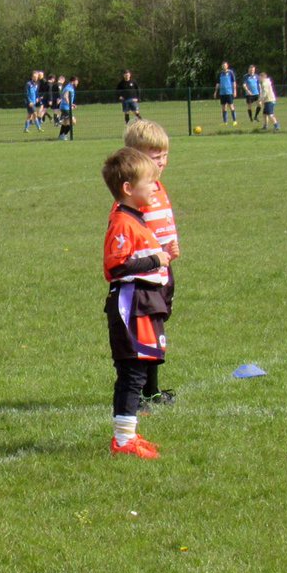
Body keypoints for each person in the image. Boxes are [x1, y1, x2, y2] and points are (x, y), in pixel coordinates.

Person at [102, 149, 175, 459]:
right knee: (132, 371)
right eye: (150, 183)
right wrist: (154, 259)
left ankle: (128, 434)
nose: (155, 188)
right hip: (131, 304)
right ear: (129, 189)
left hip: (145, 301)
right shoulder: (122, 222)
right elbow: (115, 267)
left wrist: (161, 254)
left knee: (139, 370)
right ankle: (122, 440)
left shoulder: (136, 218)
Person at [123, 120, 179, 408]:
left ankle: (151, 390)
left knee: (156, 332)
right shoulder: (136, 193)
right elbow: (130, 230)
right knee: (143, 334)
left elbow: (161, 224)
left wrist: (170, 244)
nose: (161, 161)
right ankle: (140, 392)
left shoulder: (157, 186)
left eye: (164, 155)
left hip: (162, 271)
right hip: (144, 275)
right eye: (153, 156)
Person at [215, 61, 238, 126]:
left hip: (229, 92)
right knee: (224, 107)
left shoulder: (231, 73)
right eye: (223, 66)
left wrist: (235, 91)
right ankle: (225, 122)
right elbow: (218, 83)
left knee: (231, 106)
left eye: (225, 65)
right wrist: (215, 91)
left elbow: (234, 82)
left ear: (227, 66)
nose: (224, 66)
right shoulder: (220, 73)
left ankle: (234, 121)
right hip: (222, 93)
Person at [58, 76, 78, 141]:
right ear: (73, 81)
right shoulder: (68, 87)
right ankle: (64, 135)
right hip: (65, 108)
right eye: (76, 81)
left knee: (66, 122)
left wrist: (71, 104)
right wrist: (70, 104)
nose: (77, 83)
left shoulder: (70, 87)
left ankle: (61, 135)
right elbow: (65, 96)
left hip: (65, 107)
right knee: (73, 121)